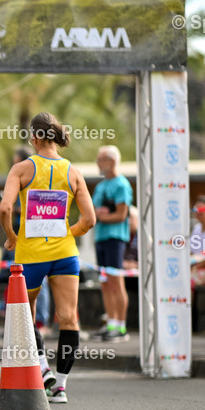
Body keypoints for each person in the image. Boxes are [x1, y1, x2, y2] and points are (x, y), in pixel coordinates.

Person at [0, 113, 95, 404]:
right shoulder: (73, 172)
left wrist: (11, 235)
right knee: (69, 318)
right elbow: (89, 219)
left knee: (24, 316)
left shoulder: (22, 169)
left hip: (30, 255)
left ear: (36, 137)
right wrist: (69, 230)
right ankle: (61, 386)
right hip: (66, 254)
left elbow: (5, 209)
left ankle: (42, 368)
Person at [91, 145, 133, 342]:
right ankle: (111, 323)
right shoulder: (100, 187)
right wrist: (97, 216)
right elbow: (93, 211)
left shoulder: (122, 185)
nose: (98, 163)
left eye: (101, 159)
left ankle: (121, 326)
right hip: (100, 238)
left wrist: (101, 218)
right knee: (105, 282)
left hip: (115, 238)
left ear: (112, 161)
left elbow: (122, 214)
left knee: (117, 281)